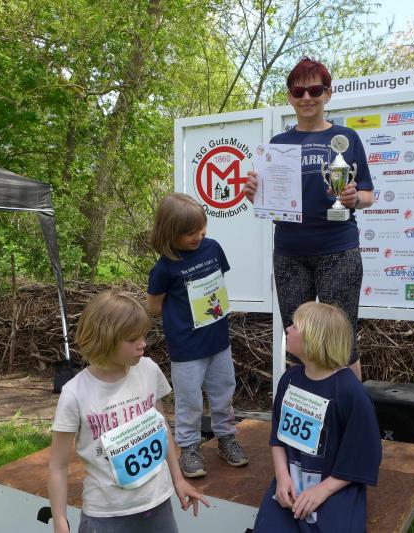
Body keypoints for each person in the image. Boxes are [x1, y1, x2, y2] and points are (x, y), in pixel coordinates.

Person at [244, 57, 374, 380]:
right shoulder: (278, 144)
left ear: (328, 94)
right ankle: (303, 410)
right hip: (290, 253)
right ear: (289, 96)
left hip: (338, 250)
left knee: (341, 342)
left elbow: (368, 194)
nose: (306, 97)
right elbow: (268, 200)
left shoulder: (347, 138)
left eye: (315, 90)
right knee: (297, 342)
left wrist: (354, 198)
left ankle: (348, 410)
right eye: (298, 91)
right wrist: (255, 194)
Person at [48, 290, 209, 533]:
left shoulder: (149, 370)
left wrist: (178, 479)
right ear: (105, 339)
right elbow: (57, 466)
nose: (143, 343)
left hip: (158, 505)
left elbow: (162, 427)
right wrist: (60, 520)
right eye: (133, 339)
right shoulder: (75, 394)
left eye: (143, 335)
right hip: (106, 516)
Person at [253, 302, 382, 533]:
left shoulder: (350, 393)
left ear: (314, 338)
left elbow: (363, 456)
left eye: (295, 326)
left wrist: (323, 490)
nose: (288, 329)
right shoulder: (289, 379)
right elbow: (278, 438)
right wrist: (282, 478)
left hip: (335, 486)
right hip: (291, 483)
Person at [146, 193, 248, 478]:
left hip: (218, 340)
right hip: (186, 347)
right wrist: (182, 315)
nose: (198, 237)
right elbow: (154, 306)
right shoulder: (164, 268)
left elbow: (217, 283)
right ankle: (189, 447)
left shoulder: (212, 248)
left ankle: (226, 437)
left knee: (224, 392)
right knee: (189, 400)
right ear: (169, 233)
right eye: (190, 233)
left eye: (202, 229)